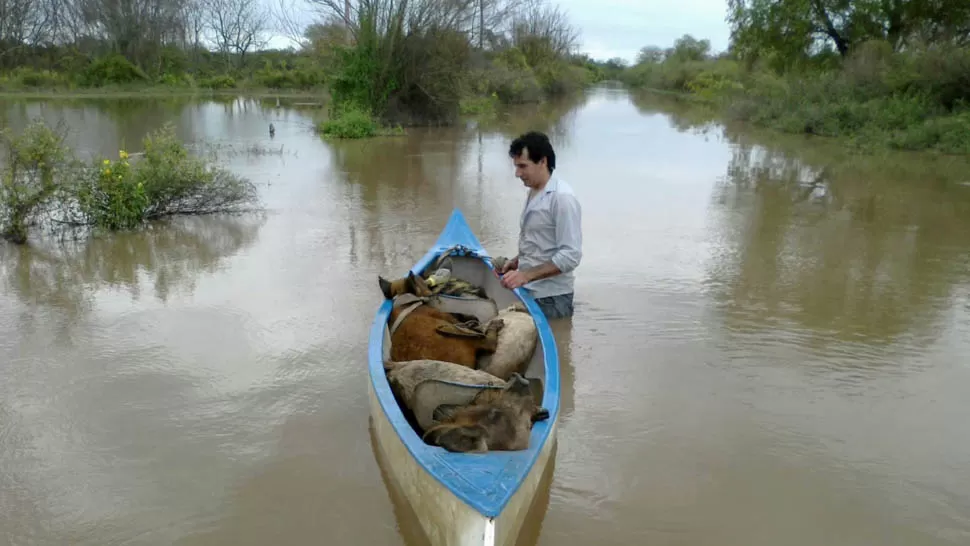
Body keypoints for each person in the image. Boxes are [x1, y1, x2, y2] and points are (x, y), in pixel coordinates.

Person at [497, 131, 582, 320]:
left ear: (542, 162)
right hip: (531, 290)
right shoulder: (535, 190)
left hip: (551, 299)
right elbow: (541, 240)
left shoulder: (562, 198)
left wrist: (525, 275)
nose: (517, 173)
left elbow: (571, 255)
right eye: (516, 166)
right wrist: (517, 261)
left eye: (522, 166)